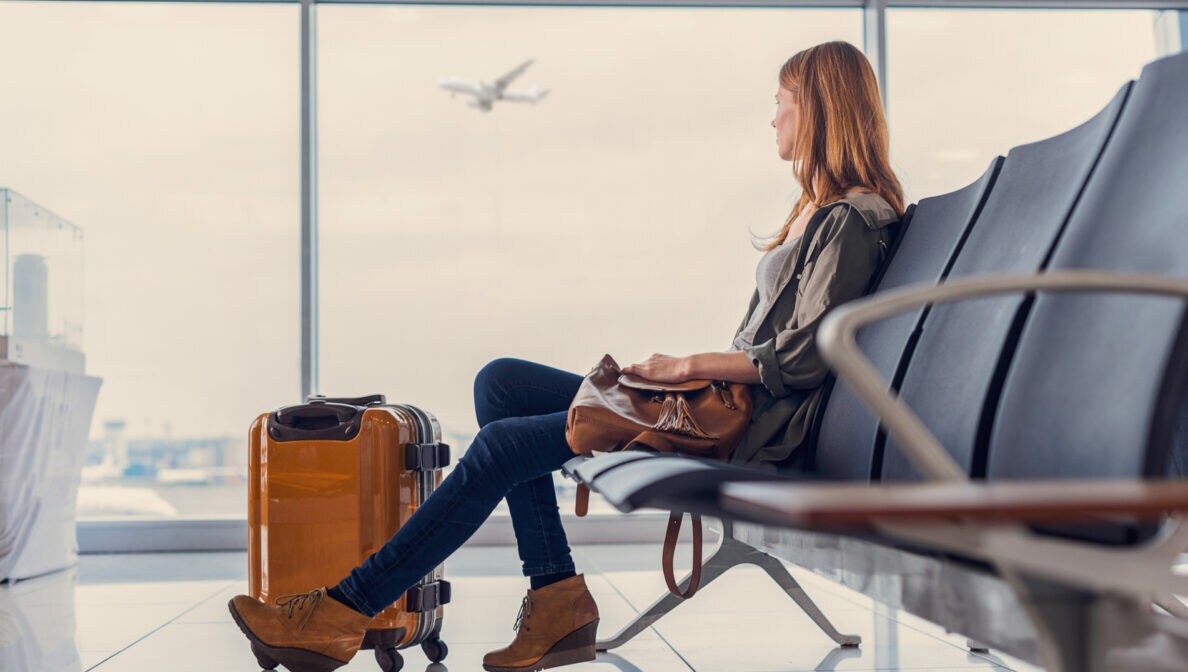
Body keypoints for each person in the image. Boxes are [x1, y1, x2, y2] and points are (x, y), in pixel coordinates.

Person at [228, 39, 905, 672]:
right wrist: (680, 379)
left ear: (818, 110)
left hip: (744, 433)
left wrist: (685, 368)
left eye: (782, 101)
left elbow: (807, 358)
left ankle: (343, 610)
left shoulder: (852, 220)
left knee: (500, 447)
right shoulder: (823, 212)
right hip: (714, 409)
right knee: (501, 384)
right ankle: (556, 597)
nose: (773, 117)